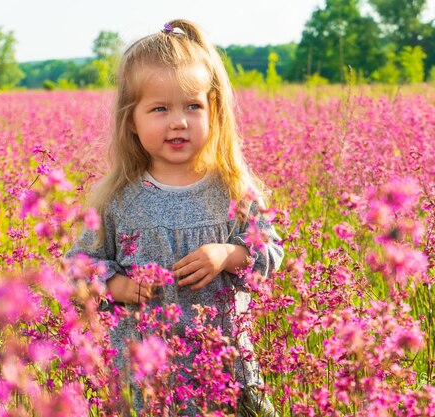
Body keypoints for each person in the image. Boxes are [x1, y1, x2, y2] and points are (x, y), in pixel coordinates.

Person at [66, 19, 283, 416]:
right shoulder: (119, 200)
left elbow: (270, 249)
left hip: (228, 368)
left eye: (193, 106)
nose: (178, 121)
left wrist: (227, 255)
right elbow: (78, 265)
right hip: (150, 381)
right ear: (132, 120)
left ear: (214, 111)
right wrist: (116, 286)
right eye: (160, 108)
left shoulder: (231, 189)